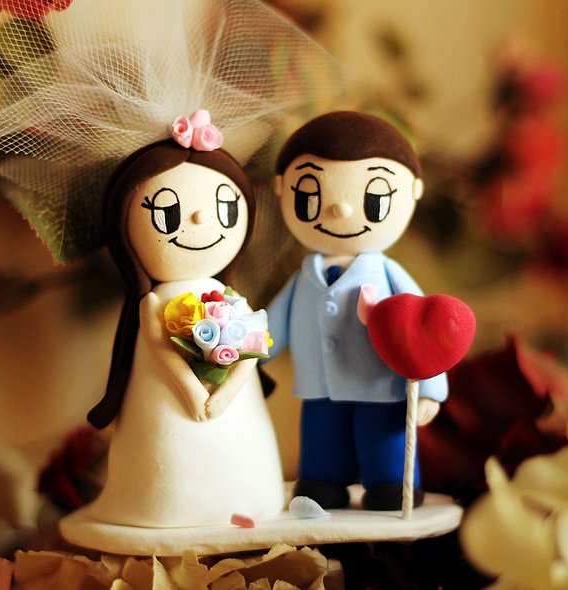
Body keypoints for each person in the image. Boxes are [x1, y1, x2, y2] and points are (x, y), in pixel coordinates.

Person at [84, 119, 285, 527]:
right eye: (167, 213)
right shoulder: (153, 301)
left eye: (224, 208)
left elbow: (253, 346)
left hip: (233, 408)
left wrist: (225, 395)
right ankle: (163, 504)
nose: (199, 217)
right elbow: (162, 349)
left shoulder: (231, 296)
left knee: (241, 457)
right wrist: (193, 392)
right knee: (168, 458)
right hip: (166, 407)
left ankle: (250, 497)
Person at [266, 111, 448, 510]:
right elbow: (272, 327)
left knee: (383, 441)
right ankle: (323, 482)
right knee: (321, 445)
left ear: (413, 191)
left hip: (381, 387)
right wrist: (246, 354)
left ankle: (389, 484)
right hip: (320, 389)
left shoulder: (390, 274)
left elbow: (424, 329)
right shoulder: (303, 278)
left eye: (374, 198)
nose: (340, 210)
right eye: (310, 195)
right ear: (281, 189)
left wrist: (430, 388)